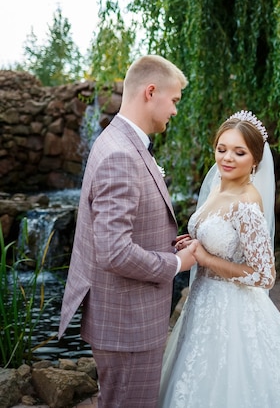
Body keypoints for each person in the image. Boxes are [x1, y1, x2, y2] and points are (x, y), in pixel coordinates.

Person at [158, 110, 280, 407]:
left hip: (232, 309)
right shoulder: (217, 187)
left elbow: (264, 275)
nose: (227, 158)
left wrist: (204, 257)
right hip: (201, 303)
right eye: (222, 149)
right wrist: (196, 240)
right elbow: (221, 239)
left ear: (255, 159)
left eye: (239, 152)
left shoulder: (247, 203)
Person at [59, 54, 197, 408]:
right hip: (128, 325)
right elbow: (115, 252)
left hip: (124, 317)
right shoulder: (121, 154)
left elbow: (129, 226)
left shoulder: (119, 141)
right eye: (175, 100)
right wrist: (176, 262)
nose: (176, 111)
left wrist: (169, 240)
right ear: (151, 92)